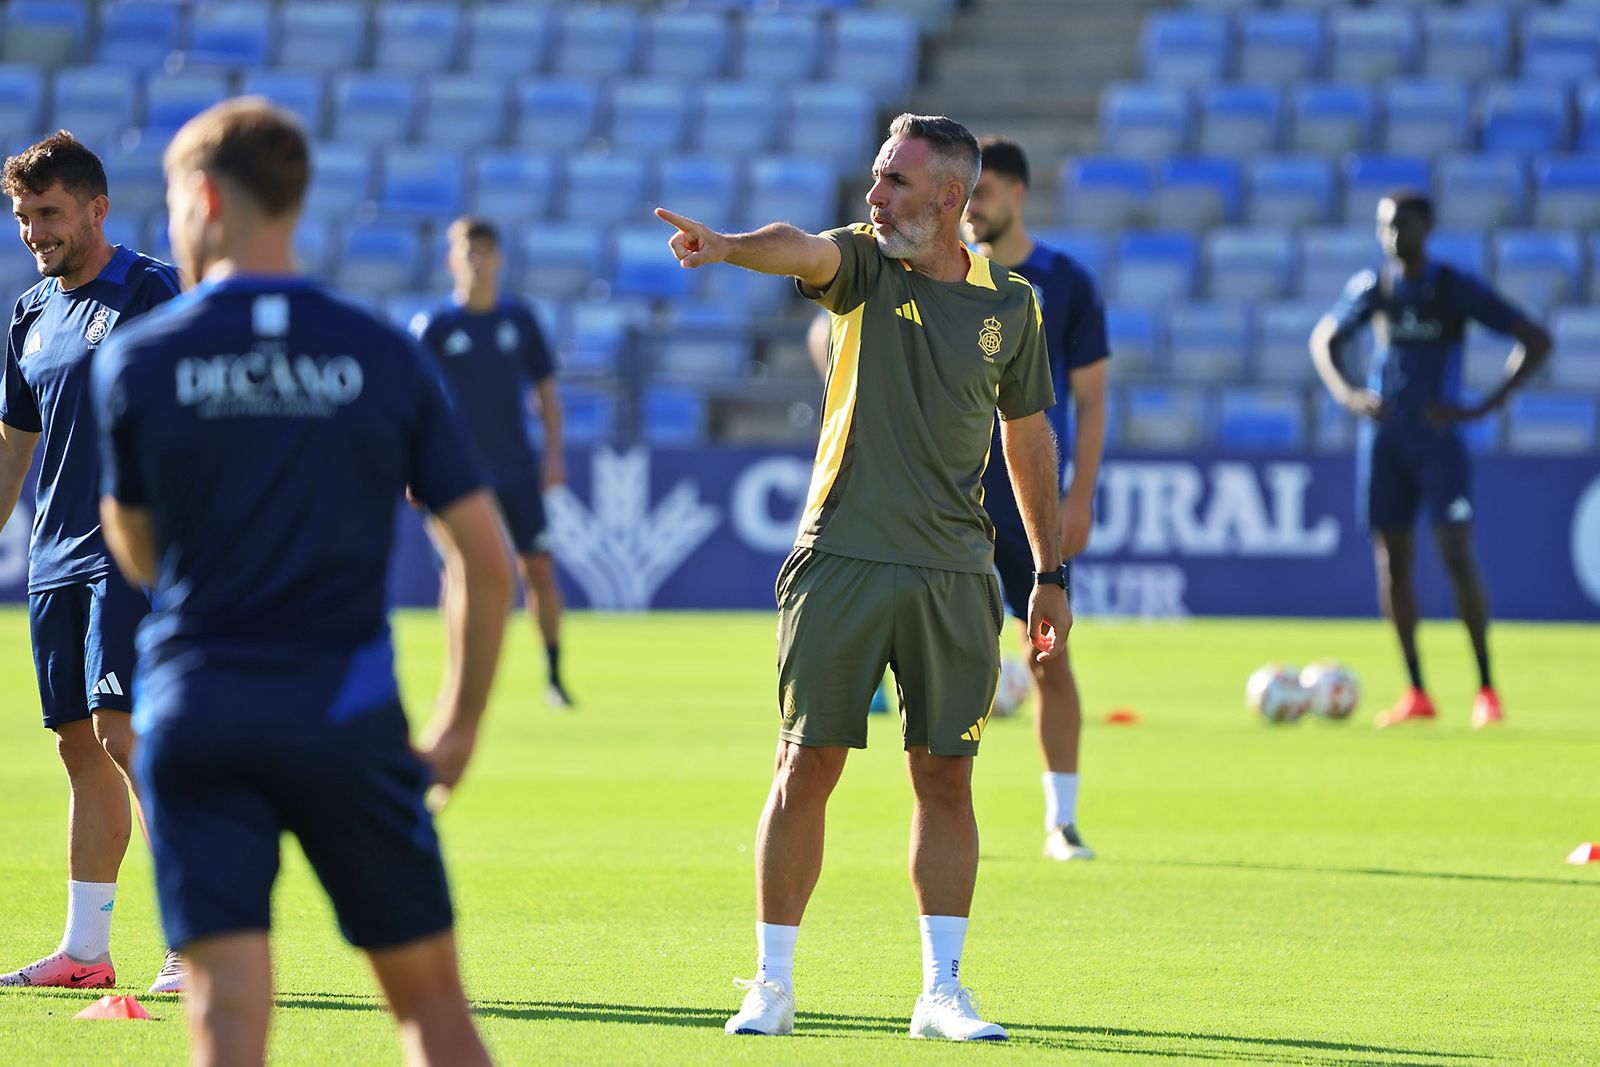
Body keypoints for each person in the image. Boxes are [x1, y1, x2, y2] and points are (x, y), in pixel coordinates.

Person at [91, 98, 512, 1066]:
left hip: (199, 710)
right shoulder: (379, 348)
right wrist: (455, 727)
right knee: (431, 1009)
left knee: (225, 1015)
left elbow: (136, 547)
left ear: (201, 197)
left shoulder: (143, 357)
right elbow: (485, 560)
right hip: (344, 711)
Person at [657, 113, 1070, 1043]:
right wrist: (725, 247)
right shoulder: (864, 264)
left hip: (955, 574)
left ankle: (942, 991)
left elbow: (1029, 439)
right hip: (840, 558)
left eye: (895, 181)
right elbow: (798, 250)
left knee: (948, 779)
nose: (874, 196)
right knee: (805, 766)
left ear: (952, 199)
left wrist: (1050, 570)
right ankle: (770, 984)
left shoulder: (1014, 307)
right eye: (878, 175)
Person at [0, 130, 184, 993]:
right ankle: (85, 950)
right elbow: (13, 443)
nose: (35, 232)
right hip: (54, 561)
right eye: (23, 216)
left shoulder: (152, 290)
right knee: (79, 745)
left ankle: (198, 936)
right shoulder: (30, 314)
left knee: (128, 734)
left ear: (97, 209)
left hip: (130, 550)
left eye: (50, 214)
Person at [1309, 190, 1551, 729]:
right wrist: (1349, 395)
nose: (1393, 237)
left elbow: (1534, 339)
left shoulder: (1451, 287)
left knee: (1454, 553)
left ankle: (1486, 688)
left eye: (1403, 226)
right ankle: (1416, 690)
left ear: (1427, 229)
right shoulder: (1375, 287)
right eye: (1385, 227)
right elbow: (1324, 337)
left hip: (1439, 444)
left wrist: (1484, 405)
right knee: (1392, 561)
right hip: (1386, 443)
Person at [964, 135, 1109, 862]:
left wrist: (1078, 492)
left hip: (1028, 494)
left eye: (981, 191)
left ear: (1017, 193)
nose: (968, 204)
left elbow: (1091, 396)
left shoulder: (1065, 281)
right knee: (948, 658)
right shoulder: (938, 271)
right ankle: (948, 816)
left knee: (1047, 654)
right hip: (947, 491)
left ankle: (1062, 819)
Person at [411, 217, 573, 709]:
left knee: (538, 570)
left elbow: (546, 393)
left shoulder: (519, 322)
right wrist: (415, 466)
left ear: (499, 258)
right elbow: (413, 402)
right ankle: (459, 669)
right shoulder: (435, 328)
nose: (477, 260)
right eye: (468, 251)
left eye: (485, 250)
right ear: (452, 260)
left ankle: (554, 677)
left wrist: (553, 455)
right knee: (456, 574)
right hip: (457, 473)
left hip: (516, 466)